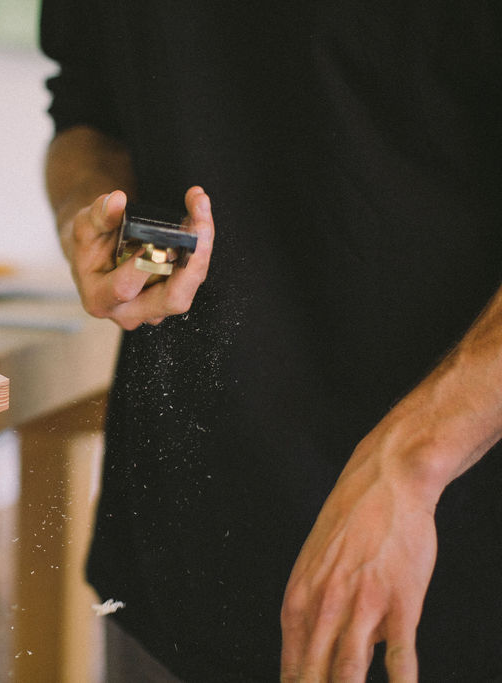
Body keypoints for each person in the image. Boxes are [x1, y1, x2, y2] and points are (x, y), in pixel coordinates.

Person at [39, 2, 502, 681]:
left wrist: (410, 461)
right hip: (178, 573)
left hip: (449, 577)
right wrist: (100, 218)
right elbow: (86, 110)